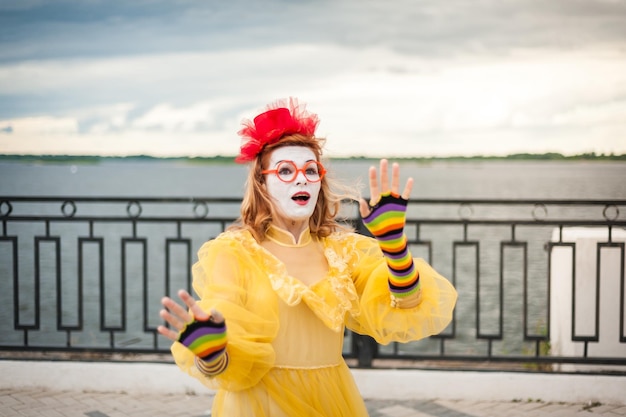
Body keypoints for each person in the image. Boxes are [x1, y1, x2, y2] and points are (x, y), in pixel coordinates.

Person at [158, 98, 457, 416]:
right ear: (262, 183)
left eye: (310, 170)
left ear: (319, 182)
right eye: (285, 170)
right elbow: (225, 363)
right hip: (259, 403)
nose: (301, 179)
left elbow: (407, 304)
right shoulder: (234, 253)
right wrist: (211, 353)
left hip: (331, 400)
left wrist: (394, 245)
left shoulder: (344, 251)